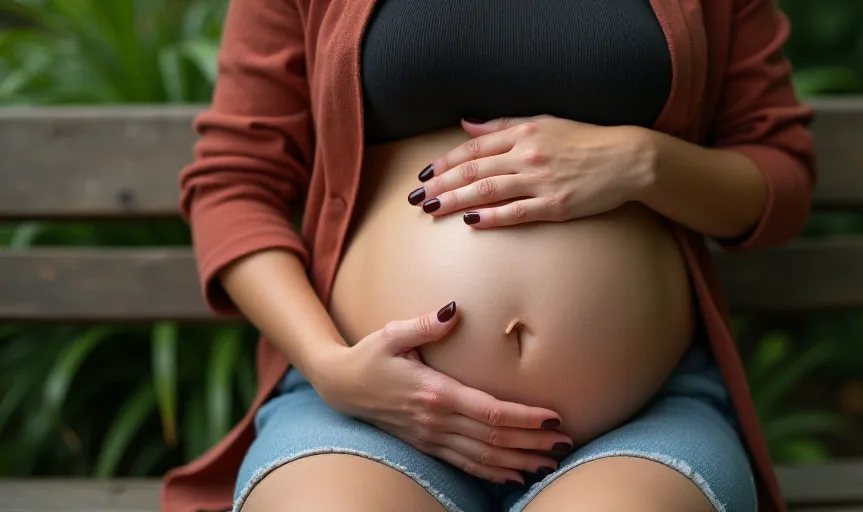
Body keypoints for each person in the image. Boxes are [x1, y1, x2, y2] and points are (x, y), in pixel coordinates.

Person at [163, 0, 816, 510]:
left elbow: (779, 176)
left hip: (638, 420)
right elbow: (236, 183)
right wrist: (331, 366)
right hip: (368, 413)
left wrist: (645, 163)